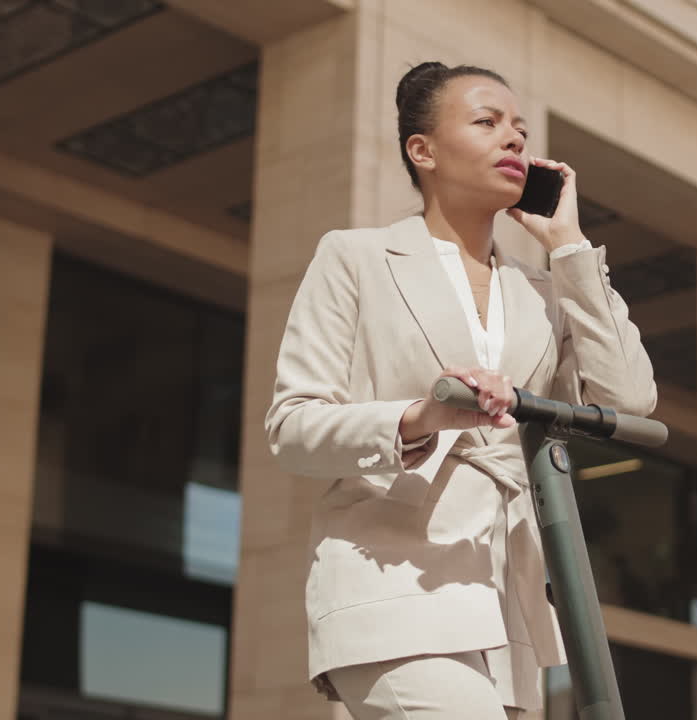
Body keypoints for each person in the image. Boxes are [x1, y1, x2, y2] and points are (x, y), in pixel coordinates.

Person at [265, 60, 657, 720]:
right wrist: (424, 417)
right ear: (422, 151)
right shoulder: (355, 257)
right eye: (486, 122)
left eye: (519, 129)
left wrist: (569, 248)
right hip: (390, 581)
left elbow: (629, 398)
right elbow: (293, 428)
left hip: (508, 602)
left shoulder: (545, 293)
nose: (513, 140)